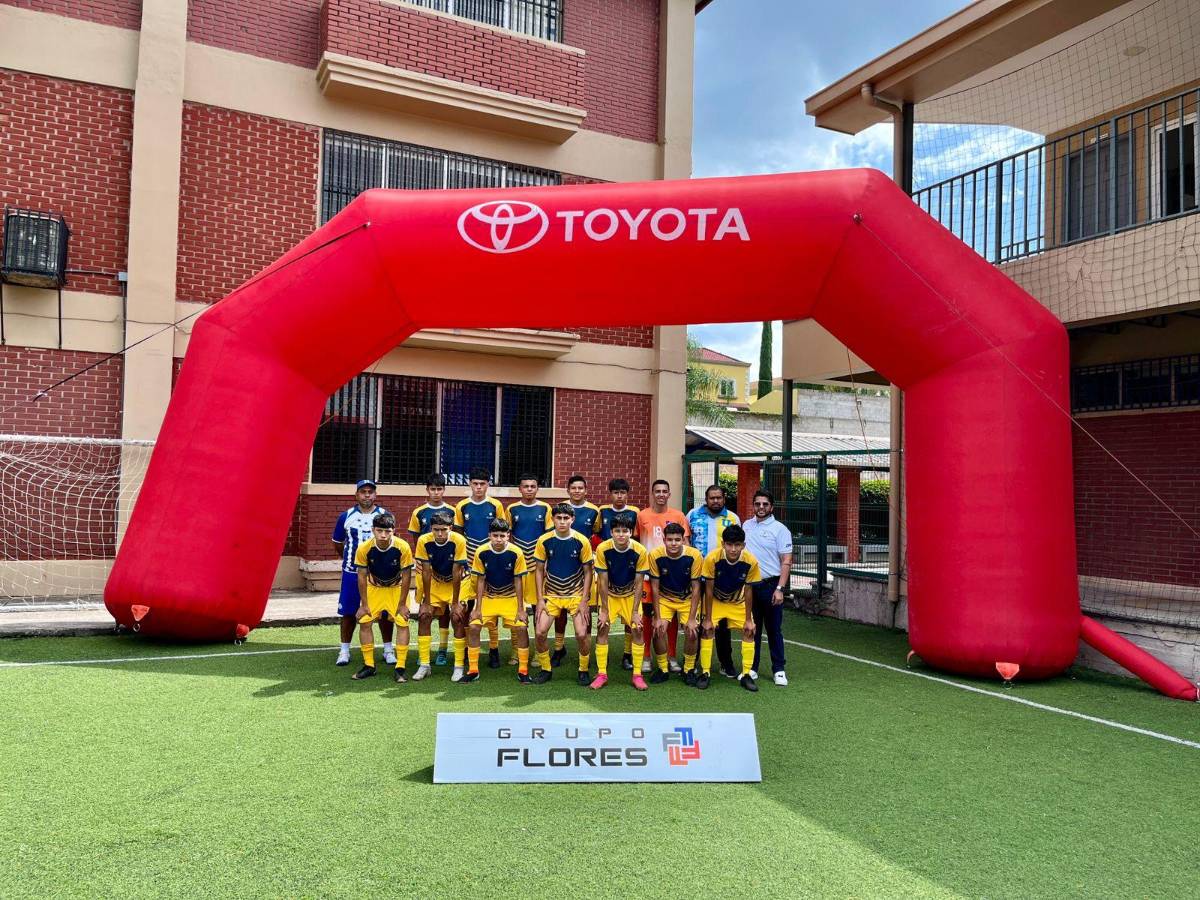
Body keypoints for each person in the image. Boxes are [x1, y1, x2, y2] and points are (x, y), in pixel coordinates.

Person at [331, 479, 392, 667]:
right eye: (363, 491)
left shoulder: (384, 515)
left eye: (370, 492)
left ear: (375, 495)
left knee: (383, 612)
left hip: (378, 574)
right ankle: (344, 650)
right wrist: (352, 560)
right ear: (356, 494)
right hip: (352, 572)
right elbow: (338, 543)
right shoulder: (346, 516)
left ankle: (388, 649)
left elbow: (389, 540)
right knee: (348, 612)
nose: (367, 495)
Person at [463, 518, 530, 684]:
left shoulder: (516, 552)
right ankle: (473, 670)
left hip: (510, 599)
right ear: (489, 535)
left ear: (508, 536)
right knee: (473, 626)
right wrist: (477, 607)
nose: (499, 539)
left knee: (522, 628)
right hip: (489, 598)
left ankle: (523, 670)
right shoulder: (481, 551)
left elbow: (518, 581)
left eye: (502, 535)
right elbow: (480, 580)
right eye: (495, 535)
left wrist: (521, 609)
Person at [533, 503, 594, 685]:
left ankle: (583, 670)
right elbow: (538, 570)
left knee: (582, 635)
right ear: (552, 519)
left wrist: (584, 600)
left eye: (566, 518)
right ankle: (546, 669)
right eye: (558, 518)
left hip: (576, 595)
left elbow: (588, 572)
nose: (562, 522)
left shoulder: (582, 541)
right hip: (552, 595)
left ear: (572, 519)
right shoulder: (544, 540)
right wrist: (539, 599)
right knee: (540, 632)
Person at [454, 467, 508, 668]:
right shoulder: (462, 506)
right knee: (468, 608)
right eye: (475, 483)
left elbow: (500, 531)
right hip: (469, 566)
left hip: (491, 564)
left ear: (488, 485)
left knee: (489, 609)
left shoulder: (495, 505)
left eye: (482, 484)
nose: (478, 487)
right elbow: (459, 535)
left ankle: (494, 649)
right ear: (470, 483)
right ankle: (469, 648)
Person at [351, 513, 414, 682]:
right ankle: (369, 665)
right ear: (373, 530)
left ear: (394, 531)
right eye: (379, 531)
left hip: (396, 589)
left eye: (387, 531)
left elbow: (407, 576)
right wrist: (364, 604)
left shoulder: (403, 547)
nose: (383, 535)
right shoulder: (364, 548)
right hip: (375, 588)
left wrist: (402, 604)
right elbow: (361, 576)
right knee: (364, 620)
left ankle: (400, 667)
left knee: (402, 621)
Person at [636, 479, 691, 674]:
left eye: (664, 491)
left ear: (669, 494)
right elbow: (637, 542)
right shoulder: (642, 515)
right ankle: (646, 657)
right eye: (657, 491)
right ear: (652, 493)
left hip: (672, 576)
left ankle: (672, 656)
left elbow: (686, 543)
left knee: (672, 618)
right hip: (648, 577)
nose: (660, 494)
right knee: (648, 617)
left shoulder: (678, 515)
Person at [591, 511, 650, 690]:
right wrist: (604, 609)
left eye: (625, 531)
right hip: (609, 595)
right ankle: (602, 673)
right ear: (611, 533)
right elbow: (602, 580)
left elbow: (639, 583)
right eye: (617, 531)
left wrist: (634, 612)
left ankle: (637, 675)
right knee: (602, 629)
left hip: (631, 595)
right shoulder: (603, 549)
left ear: (631, 532)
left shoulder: (639, 550)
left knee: (638, 630)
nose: (621, 534)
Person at [698, 524, 760, 692]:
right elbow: (708, 589)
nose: (733, 549)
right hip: (716, 600)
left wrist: (748, 619)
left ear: (743, 545)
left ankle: (746, 674)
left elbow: (748, 590)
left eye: (737, 545)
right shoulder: (712, 558)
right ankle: (705, 672)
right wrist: (708, 618)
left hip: (736, 601)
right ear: (722, 543)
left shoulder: (751, 561)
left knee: (749, 631)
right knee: (707, 630)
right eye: (729, 544)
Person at [688, 484, 740, 679]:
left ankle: (726, 663)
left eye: (719, 497)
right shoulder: (693, 515)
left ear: (724, 498)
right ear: (706, 499)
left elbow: (737, 546)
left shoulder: (733, 518)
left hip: (723, 579)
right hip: (697, 578)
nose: (715, 501)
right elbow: (687, 543)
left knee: (722, 623)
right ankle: (693, 663)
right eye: (712, 498)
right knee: (698, 621)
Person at [741, 489, 793, 686]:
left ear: (771, 507)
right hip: (750, 586)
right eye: (757, 504)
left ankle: (779, 669)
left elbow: (786, 561)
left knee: (774, 630)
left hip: (771, 585)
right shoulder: (746, 525)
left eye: (765, 504)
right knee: (751, 628)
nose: (761, 507)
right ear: (753, 505)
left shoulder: (780, 529)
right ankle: (752, 668)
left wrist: (780, 588)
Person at [413, 512, 470, 682]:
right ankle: (424, 665)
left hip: (459, 580)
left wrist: (455, 603)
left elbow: (457, 570)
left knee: (457, 616)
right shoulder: (424, 540)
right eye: (436, 530)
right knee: (424, 615)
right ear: (431, 528)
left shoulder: (459, 540)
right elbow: (426, 570)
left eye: (443, 530)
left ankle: (458, 666)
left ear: (450, 528)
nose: (439, 534)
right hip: (436, 580)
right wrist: (427, 601)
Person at [646, 522, 703, 684]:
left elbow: (696, 588)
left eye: (677, 540)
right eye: (670, 540)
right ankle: (663, 669)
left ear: (683, 540)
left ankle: (688, 669)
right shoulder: (655, 555)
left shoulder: (694, 555)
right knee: (658, 629)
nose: (673, 543)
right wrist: (657, 617)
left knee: (692, 631)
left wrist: (692, 619)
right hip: (665, 598)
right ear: (664, 540)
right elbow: (655, 588)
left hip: (687, 599)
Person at [506, 473, 552, 666]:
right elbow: (506, 536)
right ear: (520, 488)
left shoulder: (545, 508)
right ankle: (516, 651)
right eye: (526, 486)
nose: (529, 489)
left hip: (537, 568)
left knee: (538, 609)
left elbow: (549, 538)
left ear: (537, 488)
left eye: (533, 486)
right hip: (517, 568)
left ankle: (538, 652)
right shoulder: (511, 509)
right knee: (517, 609)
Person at [408, 473, 454, 666]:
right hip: (426, 568)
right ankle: (423, 652)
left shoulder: (453, 511)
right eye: (433, 489)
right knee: (425, 609)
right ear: (427, 490)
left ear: (444, 490)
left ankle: (442, 650)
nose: (436, 492)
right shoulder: (419, 512)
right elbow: (416, 539)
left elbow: (456, 539)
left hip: (447, 569)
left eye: (439, 489)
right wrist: (420, 561)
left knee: (445, 611)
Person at [561, 474, 601, 666]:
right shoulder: (560, 508)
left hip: (585, 564)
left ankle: (587, 646)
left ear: (586, 490)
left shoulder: (594, 511)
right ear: (568, 490)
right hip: (562, 565)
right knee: (560, 609)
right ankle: (559, 648)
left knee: (587, 608)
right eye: (573, 488)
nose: (577, 491)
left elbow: (597, 534)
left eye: (580, 488)